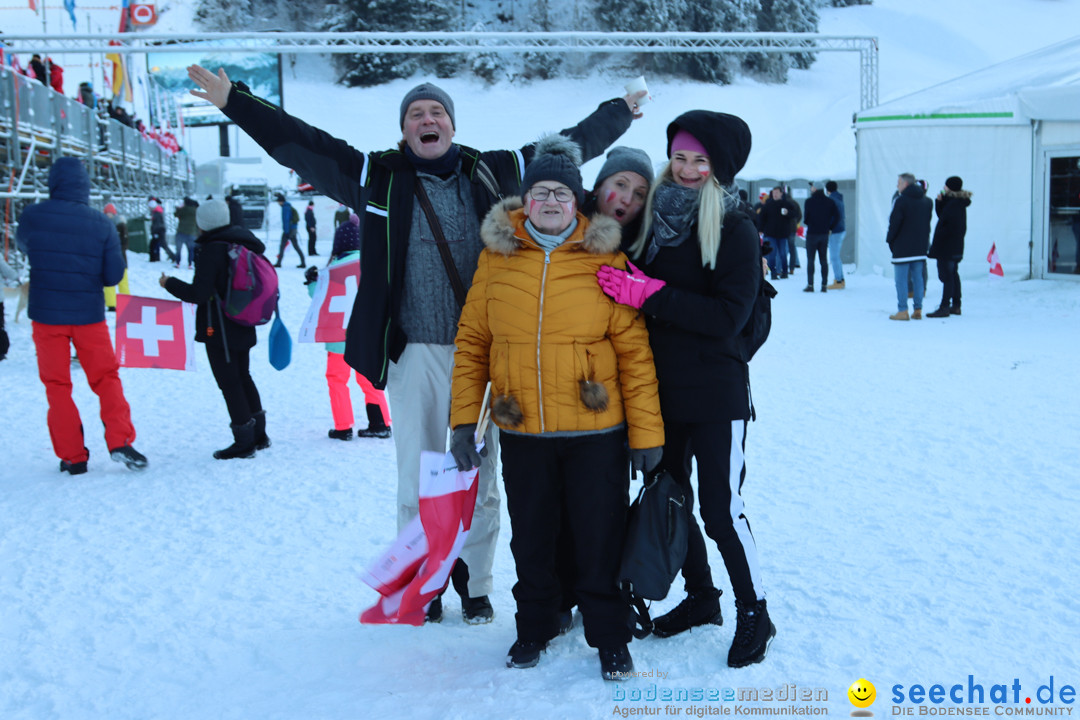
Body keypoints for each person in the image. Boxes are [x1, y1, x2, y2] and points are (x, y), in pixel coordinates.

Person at [186, 64, 644, 624]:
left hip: (487, 357)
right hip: (413, 353)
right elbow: (301, 145)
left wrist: (618, 112)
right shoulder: (375, 175)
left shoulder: (493, 171)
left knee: (481, 477)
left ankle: (475, 583)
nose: (427, 120)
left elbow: (567, 149)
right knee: (418, 474)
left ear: (452, 124)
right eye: (415, 114)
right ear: (404, 130)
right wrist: (236, 100)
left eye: (437, 112)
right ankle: (421, 583)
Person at [450, 135, 664, 680]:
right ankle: (535, 627)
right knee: (533, 538)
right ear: (525, 201)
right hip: (524, 431)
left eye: (562, 194)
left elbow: (635, 356)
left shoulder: (606, 260)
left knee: (599, 539)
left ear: (577, 202)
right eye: (540, 192)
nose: (550, 202)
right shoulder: (496, 262)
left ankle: (611, 638)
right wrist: (461, 423)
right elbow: (473, 344)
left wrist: (646, 436)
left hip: (596, 432)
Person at [600, 111, 776, 669]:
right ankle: (703, 598)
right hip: (659, 391)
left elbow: (728, 316)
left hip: (717, 394)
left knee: (722, 510)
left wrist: (648, 294)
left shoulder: (734, 226)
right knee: (670, 497)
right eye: (679, 156)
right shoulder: (653, 216)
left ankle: (756, 611)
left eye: (700, 160)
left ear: (718, 166)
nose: (688, 168)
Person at [15, 157, 148, 475]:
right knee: (106, 378)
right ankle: (120, 441)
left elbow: (24, 246)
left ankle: (73, 457)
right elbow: (113, 276)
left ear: (53, 183)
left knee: (57, 385)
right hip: (89, 316)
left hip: (47, 317)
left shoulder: (32, 216)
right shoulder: (102, 223)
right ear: (85, 186)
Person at [160, 200, 271, 459]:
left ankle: (244, 442)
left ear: (203, 223)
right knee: (243, 376)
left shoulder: (213, 249)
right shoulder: (243, 242)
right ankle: (260, 435)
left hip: (218, 329)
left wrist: (169, 283)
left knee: (229, 383)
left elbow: (198, 294)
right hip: (244, 322)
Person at [305, 216, 393, 441]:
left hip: (337, 339)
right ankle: (379, 422)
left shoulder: (333, 268)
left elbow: (318, 297)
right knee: (368, 377)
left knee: (337, 379)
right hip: (365, 337)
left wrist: (312, 280)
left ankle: (343, 426)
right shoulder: (370, 264)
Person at [581, 146, 654, 253]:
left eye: (639, 194)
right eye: (621, 184)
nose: (628, 200)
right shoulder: (563, 221)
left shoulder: (646, 251)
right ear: (598, 188)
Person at [886, 173, 932, 321]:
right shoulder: (927, 201)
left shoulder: (901, 201)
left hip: (902, 247)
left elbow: (894, 223)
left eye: (898, 183)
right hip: (920, 247)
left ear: (905, 184)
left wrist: (890, 240)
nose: (896, 186)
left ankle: (902, 310)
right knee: (918, 278)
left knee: (901, 280)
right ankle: (918, 309)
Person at [927, 176, 972, 318]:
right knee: (952, 274)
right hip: (955, 246)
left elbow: (947, 224)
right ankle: (956, 305)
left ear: (950, 187)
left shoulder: (954, 204)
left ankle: (944, 306)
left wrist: (940, 238)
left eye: (946, 186)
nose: (944, 187)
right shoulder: (955, 203)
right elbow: (943, 217)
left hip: (948, 247)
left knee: (946, 276)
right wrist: (939, 202)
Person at [801, 183, 839, 293]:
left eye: (812, 187)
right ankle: (824, 285)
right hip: (824, 234)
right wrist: (830, 227)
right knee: (823, 260)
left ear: (815, 188)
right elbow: (837, 216)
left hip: (812, 233)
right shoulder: (830, 202)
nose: (811, 189)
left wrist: (810, 223)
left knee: (810, 260)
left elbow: (806, 219)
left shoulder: (809, 201)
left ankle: (810, 285)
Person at [760, 187, 798, 280]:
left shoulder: (786, 204)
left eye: (777, 192)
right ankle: (773, 273)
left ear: (781, 193)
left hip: (783, 233)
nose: (775, 194)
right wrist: (760, 229)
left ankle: (784, 272)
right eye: (773, 193)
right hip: (770, 233)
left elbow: (795, 214)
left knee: (783, 253)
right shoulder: (768, 205)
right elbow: (762, 217)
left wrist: (787, 212)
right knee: (772, 254)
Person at [102, 203, 131, 311]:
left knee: (123, 281)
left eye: (110, 213)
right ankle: (111, 304)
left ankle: (126, 301)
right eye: (107, 213)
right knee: (109, 282)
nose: (108, 215)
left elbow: (125, 243)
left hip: (120, 258)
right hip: (109, 259)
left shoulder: (121, 225)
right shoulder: (104, 225)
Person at [273, 193, 305, 268]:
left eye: (278, 202)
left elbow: (286, 220)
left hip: (289, 230)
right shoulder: (287, 206)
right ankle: (303, 263)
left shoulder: (285, 207)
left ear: (281, 201)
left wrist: (286, 232)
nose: (278, 203)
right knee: (295, 247)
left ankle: (279, 263)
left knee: (282, 246)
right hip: (292, 229)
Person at [825, 181, 847, 289]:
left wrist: (829, 227)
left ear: (827, 189)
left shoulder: (831, 200)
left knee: (834, 257)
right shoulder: (839, 198)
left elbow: (833, 216)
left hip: (836, 231)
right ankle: (840, 279)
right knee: (836, 256)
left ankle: (838, 281)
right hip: (841, 229)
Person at [148, 197, 178, 264]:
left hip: (159, 231)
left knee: (163, 244)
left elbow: (157, 224)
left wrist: (155, 232)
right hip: (160, 230)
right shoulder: (157, 211)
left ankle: (173, 256)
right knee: (161, 244)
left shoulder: (156, 213)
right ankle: (171, 256)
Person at [173, 197, 199, 269]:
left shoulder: (184, 209)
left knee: (179, 249)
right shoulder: (196, 210)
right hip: (191, 233)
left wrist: (178, 208)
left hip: (181, 232)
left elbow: (176, 214)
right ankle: (190, 264)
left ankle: (177, 263)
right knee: (190, 249)